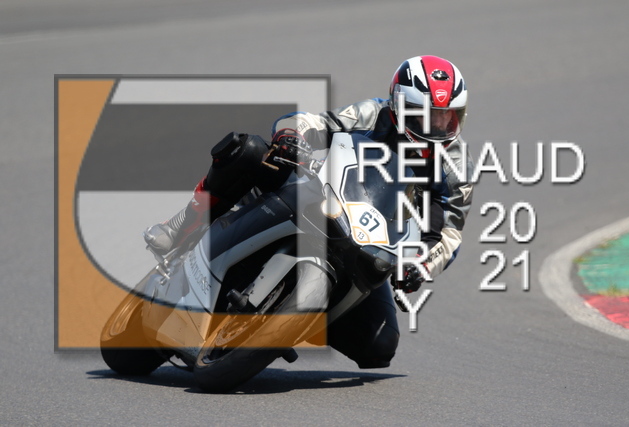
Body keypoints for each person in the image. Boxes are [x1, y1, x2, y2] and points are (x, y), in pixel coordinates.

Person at [144, 55, 474, 369]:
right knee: (250, 151)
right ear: (399, 106)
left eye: (449, 116)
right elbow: (311, 122)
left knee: (379, 345)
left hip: (373, 242)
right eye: (428, 115)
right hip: (321, 197)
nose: (441, 126)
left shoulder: (457, 166)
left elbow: (449, 233)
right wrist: (292, 136)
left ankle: (287, 320)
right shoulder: (373, 113)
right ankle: (183, 224)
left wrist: (422, 264)